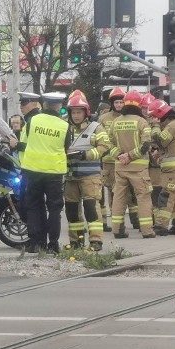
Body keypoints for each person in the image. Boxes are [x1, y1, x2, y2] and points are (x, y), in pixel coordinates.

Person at [18, 92, 72, 253]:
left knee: (34, 206)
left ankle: (35, 242)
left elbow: (26, 142)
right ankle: (53, 244)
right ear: (59, 107)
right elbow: (66, 147)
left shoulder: (32, 120)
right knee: (55, 208)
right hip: (54, 173)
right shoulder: (64, 126)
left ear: (44, 105)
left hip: (32, 170)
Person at [64, 93, 112, 251]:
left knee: (91, 208)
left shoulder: (96, 127)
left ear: (86, 112)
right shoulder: (65, 128)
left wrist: (87, 154)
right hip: (71, 176)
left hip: (90, 176)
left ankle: (96, 241)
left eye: (79, 112)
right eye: (73, 112)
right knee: (71, 211)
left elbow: (105, 147)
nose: (76, 115)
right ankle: (76, 241)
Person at [107, 90, 155, 239]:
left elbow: (108, 143)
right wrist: (130, 155)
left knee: (119, 198)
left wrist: (120, 155)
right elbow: (146, 145)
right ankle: (147, 230)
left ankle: (117, 230)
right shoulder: (142, 122)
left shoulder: (115, 122)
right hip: (138, 168)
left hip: (120, 168)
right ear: (139, 105)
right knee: (143, 197)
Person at [99, 87, 138, 235]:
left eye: (122, 102)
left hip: (129, 161)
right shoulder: (104, 119)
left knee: (131, 192)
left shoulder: (131, 117)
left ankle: (135, 220)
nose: (119, 105)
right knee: (113, 192)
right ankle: (118, 222)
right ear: (112, 103)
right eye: (116, 102)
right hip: (109, 162)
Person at [147, 99, 175, 236]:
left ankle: (161, 225)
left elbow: (161, 140)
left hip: (172, 170)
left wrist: (155, 127)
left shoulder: (172, 125)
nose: (152, 120)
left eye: (153, 117)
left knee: (166, 196)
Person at [140, 93, 163, 222]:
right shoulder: (138, 121)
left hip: (154, 163)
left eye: (148, 107)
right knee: (143, 190)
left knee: (156, 189)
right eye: (143, 107)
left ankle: (156, 218)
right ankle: (147, 218)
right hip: (142, 162)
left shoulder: (159, 122)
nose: (146, 110)